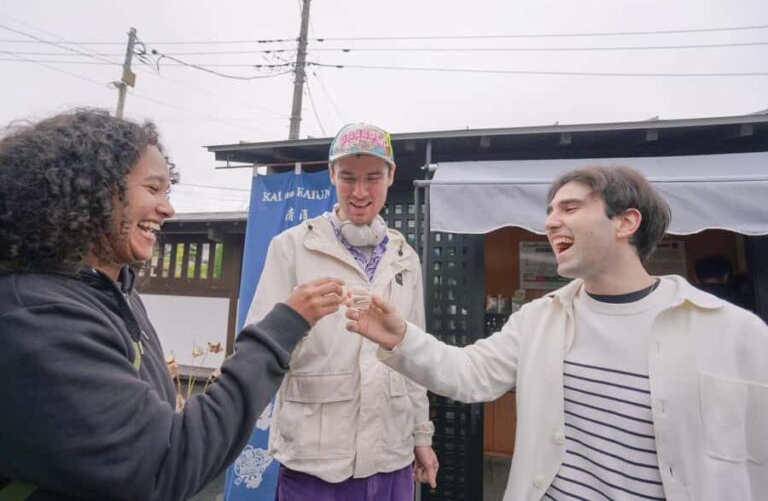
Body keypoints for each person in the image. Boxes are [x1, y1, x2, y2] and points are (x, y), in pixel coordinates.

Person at [346, 165, 768, 501]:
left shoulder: (735, 334)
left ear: (625, 222)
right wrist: (400, 336)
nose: (550, 223)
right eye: (549, 212)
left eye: (568, 209)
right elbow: (467, 374)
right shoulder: (540, 319)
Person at [0, 108, 344, 501]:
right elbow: (166, 463)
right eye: (152, 188)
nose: (168, 208)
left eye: (168, 191)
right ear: (91, 190)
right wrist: (282, 328)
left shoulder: (110, 289)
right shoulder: (35, 318)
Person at [245, 123, 438, 500]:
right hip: (315, 459)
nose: (360, 192)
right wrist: (296, 321)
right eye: (348, 177)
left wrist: (421, 436)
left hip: (391, 455)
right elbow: (259, 348)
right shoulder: (293, 247)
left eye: (373, 177)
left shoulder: (404, 259)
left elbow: (414, 356)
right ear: (332, 174)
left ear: (390, 176)